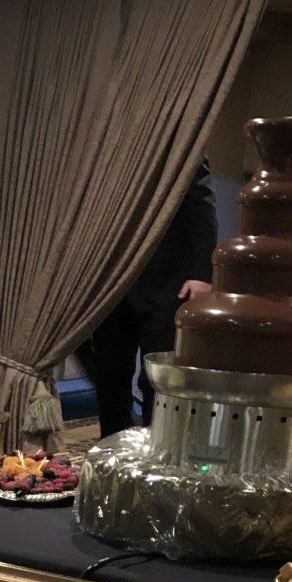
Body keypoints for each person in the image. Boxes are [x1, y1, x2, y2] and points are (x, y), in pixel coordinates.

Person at [85, 159, 217, 436]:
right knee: (109, 375)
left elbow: (200, 206)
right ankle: (112, 449)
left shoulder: (178, 145)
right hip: (109, 281)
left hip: (168, 282)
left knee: (157, 378)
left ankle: (156, 450)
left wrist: (202, 274)